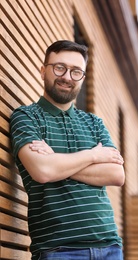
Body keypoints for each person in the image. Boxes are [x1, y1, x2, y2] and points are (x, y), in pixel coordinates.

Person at [10, 40, 125, 260]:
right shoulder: (26, 117)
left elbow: (116, 174)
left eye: (76, 72)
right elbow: (42, 171)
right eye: (60, 67)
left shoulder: (94, 123)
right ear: (43, 71)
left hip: (110, 246)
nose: (67, 77)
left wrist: (55, 161)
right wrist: (93, 156)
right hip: (59, 249)